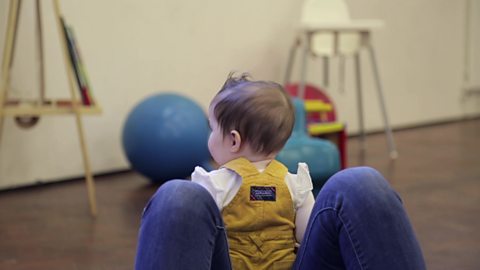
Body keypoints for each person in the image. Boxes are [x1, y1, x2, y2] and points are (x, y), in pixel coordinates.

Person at [134, 73, 426, 270]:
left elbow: (195, 228)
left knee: (361, 182)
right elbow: (308, 230)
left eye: (212, 129)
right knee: (180, 196)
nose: (209, 137)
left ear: (233, 140)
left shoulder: (215, 183)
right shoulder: (293, 183)